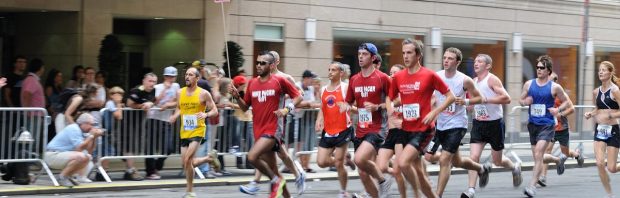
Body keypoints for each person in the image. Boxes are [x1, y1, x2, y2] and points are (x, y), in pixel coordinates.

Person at [386, 39, 454, 198]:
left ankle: (415, 195)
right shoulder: (398, 77)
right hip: (406, 128)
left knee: (403, 163)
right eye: (403, 53)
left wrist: (434, 112)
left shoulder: (429, 75)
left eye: (409, 52)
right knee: (418, 171)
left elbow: (450, 97)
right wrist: (391, 111)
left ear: (418, 56)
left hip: (423, 129)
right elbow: (389, 98)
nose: (405, 56)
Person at [229, 51, 302, 198]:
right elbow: (245, 108)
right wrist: (237, 97)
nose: (259, 65)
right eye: (257, 62)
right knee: (274, 169)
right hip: (258, 130)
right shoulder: (252, 83)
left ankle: (275, 182)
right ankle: (281, 185)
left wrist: (287, 109)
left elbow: (298, 96)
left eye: (263, 63)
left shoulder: (279, 81)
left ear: (271, 65)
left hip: (273, 129)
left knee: (252, 157)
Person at [431, 47, 493, 198]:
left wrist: (465, 101)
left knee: (445, 159)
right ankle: (481, 169)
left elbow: (480, 98)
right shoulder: (436, 76)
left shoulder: (464, 80)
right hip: (441, 124)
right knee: (456, 161)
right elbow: (432, 96)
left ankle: (437, 195)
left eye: (450, 58)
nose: (446, 60)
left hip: (457, 125)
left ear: (457, 62)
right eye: (444, 58)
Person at [461, 54, 522, 198]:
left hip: (495, 124)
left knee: (497, 160)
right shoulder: (473, 82)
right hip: (478, 124)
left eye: (480, 61)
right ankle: (471, 190)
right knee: (473, 157)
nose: (476, 63)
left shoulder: (492, 79)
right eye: (475, 61)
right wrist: (464, 105)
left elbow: (507, 98)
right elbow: (471, 105)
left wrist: (486, 99)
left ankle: (514, 167)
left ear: (487, 66)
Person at [341, 43, 392, 198]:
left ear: (373, 57)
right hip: (361, 128)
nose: (361, 57)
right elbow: (349, 101)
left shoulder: (383, 78)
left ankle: (383, 181)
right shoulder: (354, 79)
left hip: (378, 127)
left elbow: (395, 101)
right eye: (359, 54)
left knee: (359, 158)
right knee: (362, 172)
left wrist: (378, 106)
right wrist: (344, 106)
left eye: (364, 54)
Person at [519, 55, 573, 197]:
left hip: (547, 126)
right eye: (537, 67)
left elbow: (567, 102)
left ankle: (532, 186)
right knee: (538, 157)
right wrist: (525, 102)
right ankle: (558, 159)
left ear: (548, 70)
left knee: (538, 155)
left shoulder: (555, 87)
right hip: (533, 125)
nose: (538, 69)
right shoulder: (529, 84)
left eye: (542, 68)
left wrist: (558, 110)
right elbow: (520, 100)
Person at [168, 67, 219, 198]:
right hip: (184, 130)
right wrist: (175, 115)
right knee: (185, 163)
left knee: (188, 159)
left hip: (197, 130)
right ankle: (209, 158)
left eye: (190, 75)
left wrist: (206, 114)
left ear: (197, 78)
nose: (187, 77)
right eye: (186, 74)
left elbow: (215, 111)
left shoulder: (203, 93)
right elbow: (180, 107)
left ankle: (190, 192)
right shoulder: (180, 92)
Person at [314, 61, 353, 198]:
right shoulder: (324, 89)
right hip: (329, 130)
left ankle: (343, 192)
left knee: (339, 165)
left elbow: (354, 106)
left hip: (343, 129)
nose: (330, 72)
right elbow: (323, 107)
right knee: (321, 162)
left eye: (334, 70)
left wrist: (347, 107)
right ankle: (344, 160)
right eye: (329, 69)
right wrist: (319, 120)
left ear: (341, 73)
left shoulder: (345, 88)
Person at [584, 61, 620, 198]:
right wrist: (591, 114)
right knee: (599, 163)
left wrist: (611, 115)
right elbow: (598, 108)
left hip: (613, 130)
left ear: (610, 72)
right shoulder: (595, 92)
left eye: (604, 70)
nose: (600, 72)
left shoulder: (615, 91)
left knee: (611, 168)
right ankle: (609, 194)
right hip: (600, 129)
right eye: (599, 70)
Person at [539, 73, 582, 187]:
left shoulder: (561, 94)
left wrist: (560, 114)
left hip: (562, 128)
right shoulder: (544, 93)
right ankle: (543, 177)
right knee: (547, 151)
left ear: (556, 81)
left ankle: (576, 154)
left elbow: (572, 109)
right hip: (550, 128)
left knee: (565, 153)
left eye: (551, 80)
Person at [45, 113, 103, 187]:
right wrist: (91, 135)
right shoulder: (74, 129)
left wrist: (94, 137)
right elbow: (79, 148)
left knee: (87, 157)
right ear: (83, 123)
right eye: (90, 124)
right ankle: (62, 177)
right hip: (53, 155)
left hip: (60, 154)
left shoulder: (81, 131)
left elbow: (89, 151)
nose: (92, 127)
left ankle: (67, 176)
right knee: (82, 157)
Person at [376, 64, 408, 198]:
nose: (392, 75)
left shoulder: (406, 89)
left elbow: (400, 101)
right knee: (381, 166)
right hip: (391, 133)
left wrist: (382, 105)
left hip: (403, 132)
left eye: (395, 73)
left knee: (397, 170)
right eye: (390, 72)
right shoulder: (388, 91)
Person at [144, 66, 181, 180]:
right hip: (153, 119)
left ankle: (157, 166)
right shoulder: (157, 87)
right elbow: (154, 102)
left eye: (173, 76)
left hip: (166, 120)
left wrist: (169, 106)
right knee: (150, 147)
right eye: (168, 76)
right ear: (164, 76)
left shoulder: (177, 86)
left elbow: (178, 102)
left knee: (168, 147)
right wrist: (165, 89)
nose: (171, 79)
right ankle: (150, 171)